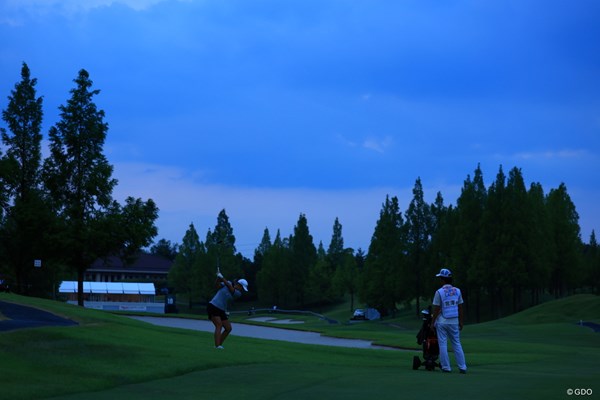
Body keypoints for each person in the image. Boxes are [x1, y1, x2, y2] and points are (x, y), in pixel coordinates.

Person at [431, 268, 467, 374]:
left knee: (443, 344)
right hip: (454, 321)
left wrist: (432, 323)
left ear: (442, 280)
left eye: (440, 278)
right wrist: (461, 321)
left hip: (442, 321)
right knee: (456, 343)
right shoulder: (458, 291)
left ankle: (446, 367)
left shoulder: (439, 292)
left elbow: (436, 309)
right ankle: (463, 367)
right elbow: (460, 307)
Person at [207, 272, 248, 349]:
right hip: (213, 306)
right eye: (242, 288)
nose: (242, 290)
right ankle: (217, 346)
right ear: (239, 285)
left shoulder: (238, 293)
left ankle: (219, 344)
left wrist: (222, 277)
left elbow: (230, 288)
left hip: (221, 309)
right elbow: (216, 286)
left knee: (228, 328)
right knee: (219, 325)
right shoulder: (228, 283)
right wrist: (218, 278)